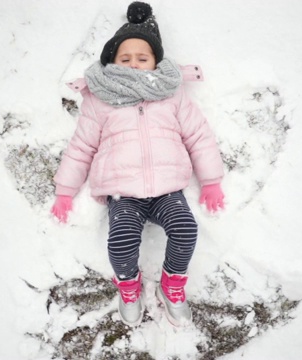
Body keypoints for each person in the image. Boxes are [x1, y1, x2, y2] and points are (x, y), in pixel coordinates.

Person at [50, 1, 225, 327]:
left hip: (167, 191)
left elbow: (199, 136)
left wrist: (211, 181)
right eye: (125, 58)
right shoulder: (100, 98)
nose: (134, 64)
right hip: (124, 193)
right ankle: (128, 286)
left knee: (186, 229)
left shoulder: (171, 95)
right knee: (119, 242)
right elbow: (82, 146)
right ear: (112, 63)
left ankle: (172, 284)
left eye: (142, 58)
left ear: (156, 63)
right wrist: (65, 190)